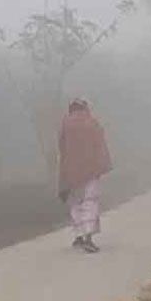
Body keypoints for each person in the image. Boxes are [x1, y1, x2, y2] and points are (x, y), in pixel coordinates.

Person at [58, 98, 112, 253]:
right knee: (90, 201)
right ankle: (88, 237)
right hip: (91, 170)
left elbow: (61, 147)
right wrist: (102, 165)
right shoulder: (92, 122)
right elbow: (100, 144)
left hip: (71, 172)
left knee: (75, 202)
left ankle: (79, 235)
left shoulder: (65, 124)